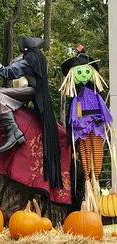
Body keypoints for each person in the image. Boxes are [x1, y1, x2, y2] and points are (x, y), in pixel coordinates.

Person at [0, 31, 63, 189]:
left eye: (22, 51)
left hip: (30, 91)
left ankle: (13, 133)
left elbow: (5, 72)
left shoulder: (28, 60)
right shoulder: (35, 58)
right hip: (31, 91)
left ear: (26, 51)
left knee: (1, 96)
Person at [59, 44, 113, 212]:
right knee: (85, 157)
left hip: (96, 128)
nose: (83, 76)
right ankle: (89, 182)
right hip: (82, 131)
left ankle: (96, 180)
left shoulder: (96, 95)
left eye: (86, 72)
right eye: (79, 73)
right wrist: (72, 134)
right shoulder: (75, 99)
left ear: (92, 73)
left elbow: (104, 112)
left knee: (97, 157)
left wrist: (106, 124)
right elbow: (72, 118)